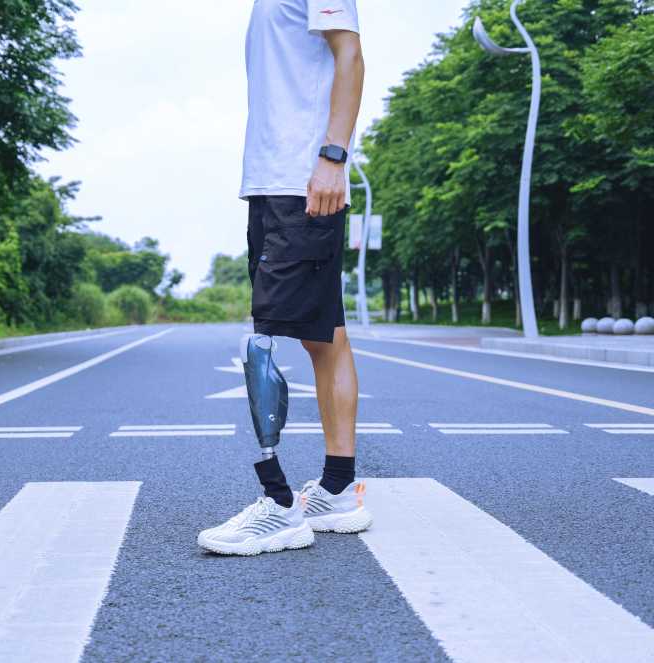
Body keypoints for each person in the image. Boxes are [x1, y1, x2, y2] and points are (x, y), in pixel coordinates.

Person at [198, 0, 370, 556]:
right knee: (325, 336)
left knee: (262, 340)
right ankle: (337, 491)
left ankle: (278, 504)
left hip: (301, 181)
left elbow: (350, 54)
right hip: (276, 181)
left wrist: (333, 158)